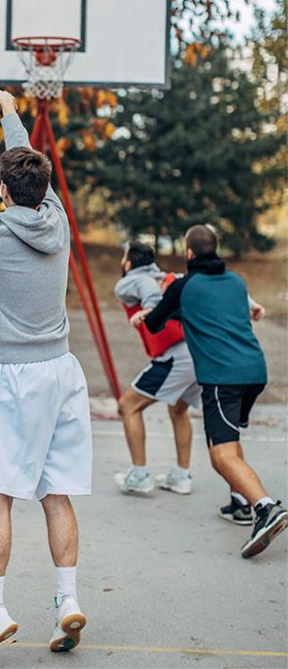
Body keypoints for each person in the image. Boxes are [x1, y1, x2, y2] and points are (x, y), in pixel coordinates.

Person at [0, 89, 92, 665]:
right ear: (44, 187)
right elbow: (27, 161)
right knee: (54, 491)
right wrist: (10, 111)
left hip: (13, 376)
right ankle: (67, 600)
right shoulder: (55, 217)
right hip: (63, 371)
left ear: (4, 193)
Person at [139, 224, 287, 558]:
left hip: (223, 377)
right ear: (215, 249)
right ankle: (240, 503)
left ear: (189, 253)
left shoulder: (183, 286)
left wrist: (160, 311)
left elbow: (154, 324)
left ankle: (265, 507)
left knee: (221, 454)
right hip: (255, 371)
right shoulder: (236, 281)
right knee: (228, 442)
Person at [114, 241, 200, 496]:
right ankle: (182, 476)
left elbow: (147, 287)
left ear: (128, 263)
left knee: (128, 406)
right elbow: (203, 283)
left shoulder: (128, 282)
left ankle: (140, 475)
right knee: (178, 409)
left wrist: (151, 307)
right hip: (196, 353)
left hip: (177, 355)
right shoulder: (172, 277)